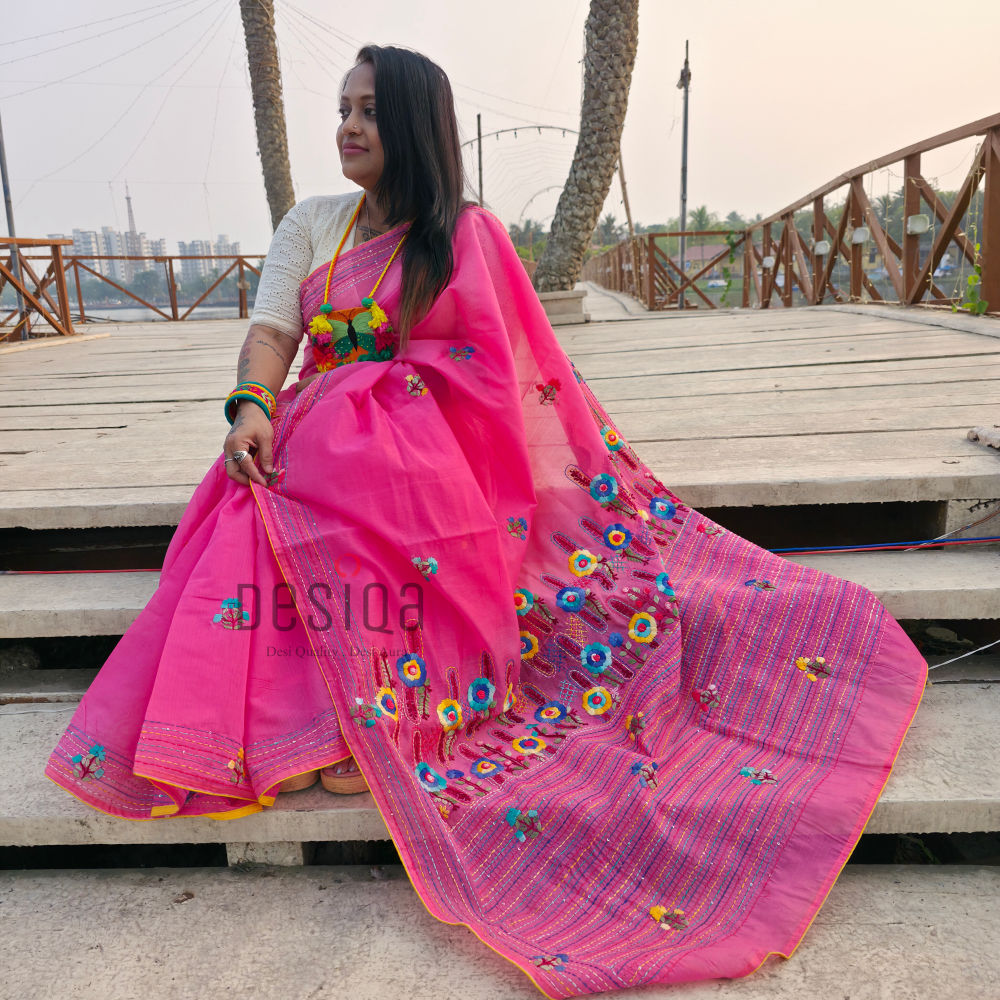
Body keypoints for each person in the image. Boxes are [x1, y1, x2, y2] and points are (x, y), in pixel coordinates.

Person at [47, 45, 927, 997]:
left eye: (371, 111)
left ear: (417, 123)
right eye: (342, 108)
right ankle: (298, 726)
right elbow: (271, 333)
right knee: (254, 508)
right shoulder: (311, 224)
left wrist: (379, 403)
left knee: (359, 475)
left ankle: (384, 717)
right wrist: (252, 406)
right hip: (312, 439)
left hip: (436, 456)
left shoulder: (462, 233)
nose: (347, 126)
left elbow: (494, 375)